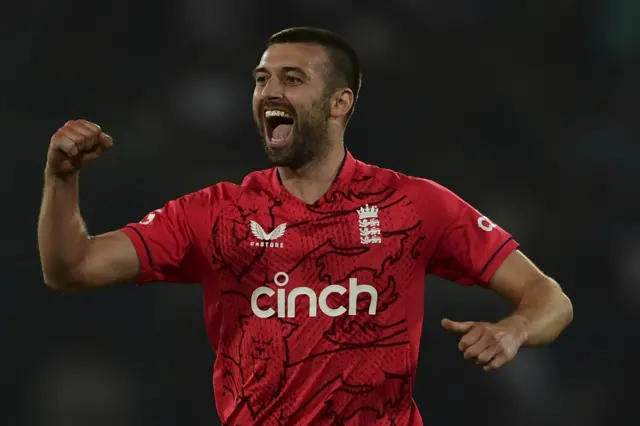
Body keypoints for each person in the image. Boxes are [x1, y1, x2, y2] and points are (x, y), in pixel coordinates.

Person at [38, 27, 573, 426]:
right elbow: (73, 269)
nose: (269, 91)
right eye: (261, 79)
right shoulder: (215, 213)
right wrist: (61, 181)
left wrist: (513, 330)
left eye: (292, 79)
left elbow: (549, 298)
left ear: (340, 103)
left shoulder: (413, 204)